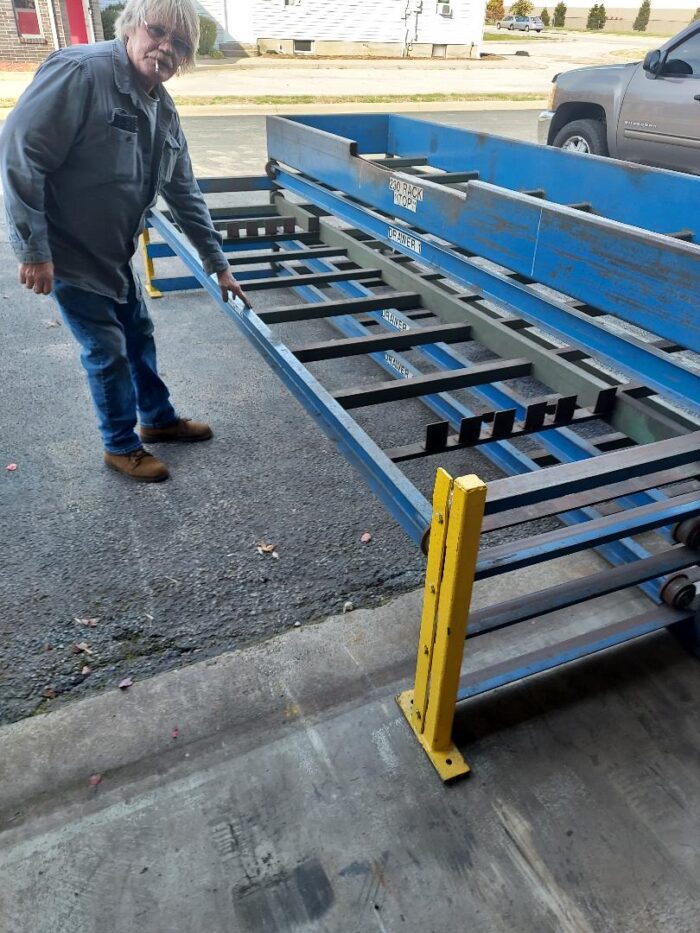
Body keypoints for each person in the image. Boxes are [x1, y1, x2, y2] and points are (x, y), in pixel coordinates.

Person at [0, 0, 249, 482]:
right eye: (158, 32)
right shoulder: (80, 73)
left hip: (116, 253)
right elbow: (19, 156)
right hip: (70, 252)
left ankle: (157, 420)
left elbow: (184, 192)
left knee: (139, 335)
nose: (165, 48)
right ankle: (119, 445)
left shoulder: (162, 107)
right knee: (107, 349)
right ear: (131, 27)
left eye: (179, 44)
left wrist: (219, 265)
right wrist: (33, 250)